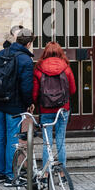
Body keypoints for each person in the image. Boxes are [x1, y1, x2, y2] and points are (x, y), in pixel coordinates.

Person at [0, 28, 35, 187]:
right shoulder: (26, 60)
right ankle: (10, 176)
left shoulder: (1, 54)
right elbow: (26, 87)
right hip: (14, 106)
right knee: (12, 140)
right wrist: (29, 103)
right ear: (29, 43)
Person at [32, 42, 76, 181]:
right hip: (62, 109)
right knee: (61, 140)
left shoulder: (39, 68)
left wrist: (34, 103)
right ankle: (62, 173)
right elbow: (73, 90)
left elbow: (34, 92)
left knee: (47, 142)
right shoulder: (66, 68)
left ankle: (45, 173)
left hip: (45, 109)